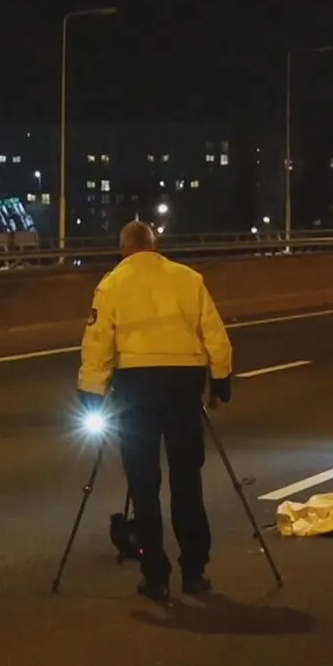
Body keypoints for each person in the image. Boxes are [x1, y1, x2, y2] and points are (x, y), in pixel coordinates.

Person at [77, 220, 234, 602]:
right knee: (186, 479)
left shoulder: (112, 284)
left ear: (123, 249)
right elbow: (215, 334)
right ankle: (194, 571)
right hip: (183, 386)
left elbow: (97, 342)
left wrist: (91, 392)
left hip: (135, 389)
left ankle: (156, 575)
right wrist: (221, 380)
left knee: (144, 484)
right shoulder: (188, 279)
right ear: (155, 245)